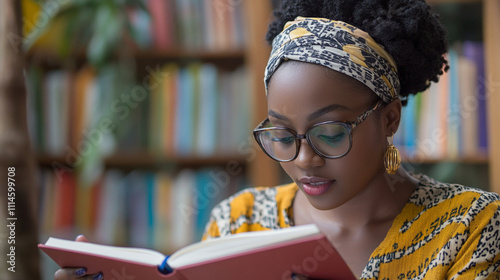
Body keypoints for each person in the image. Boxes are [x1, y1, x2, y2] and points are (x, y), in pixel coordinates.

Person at [55, 0, 500, 279]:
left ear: (389, 119)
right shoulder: (241, 222)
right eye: (282, 135)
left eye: (329, 133)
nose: (304, 159)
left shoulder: (469, 226)